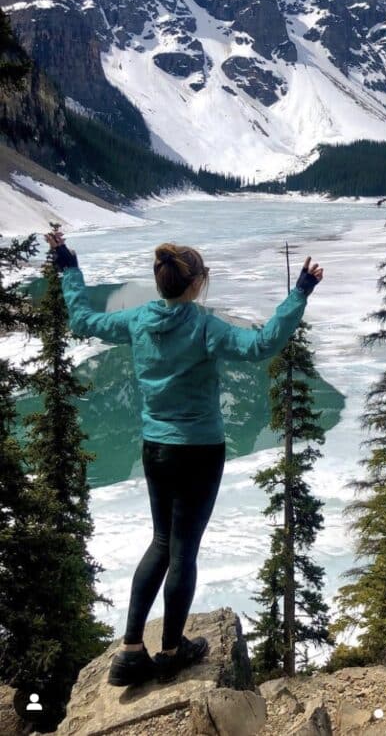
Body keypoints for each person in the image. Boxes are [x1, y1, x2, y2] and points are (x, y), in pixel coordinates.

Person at [45, 229, 323, 688]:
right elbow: (260, 346)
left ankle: (131, 650)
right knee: (183, 550)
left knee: (159, 542)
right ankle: (173, 651)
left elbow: (83, 321)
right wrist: (300, 293)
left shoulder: (138, 321)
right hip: (199, 450)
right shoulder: (203, 326)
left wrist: (68, 267)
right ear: (196, 284)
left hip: (155, 448)